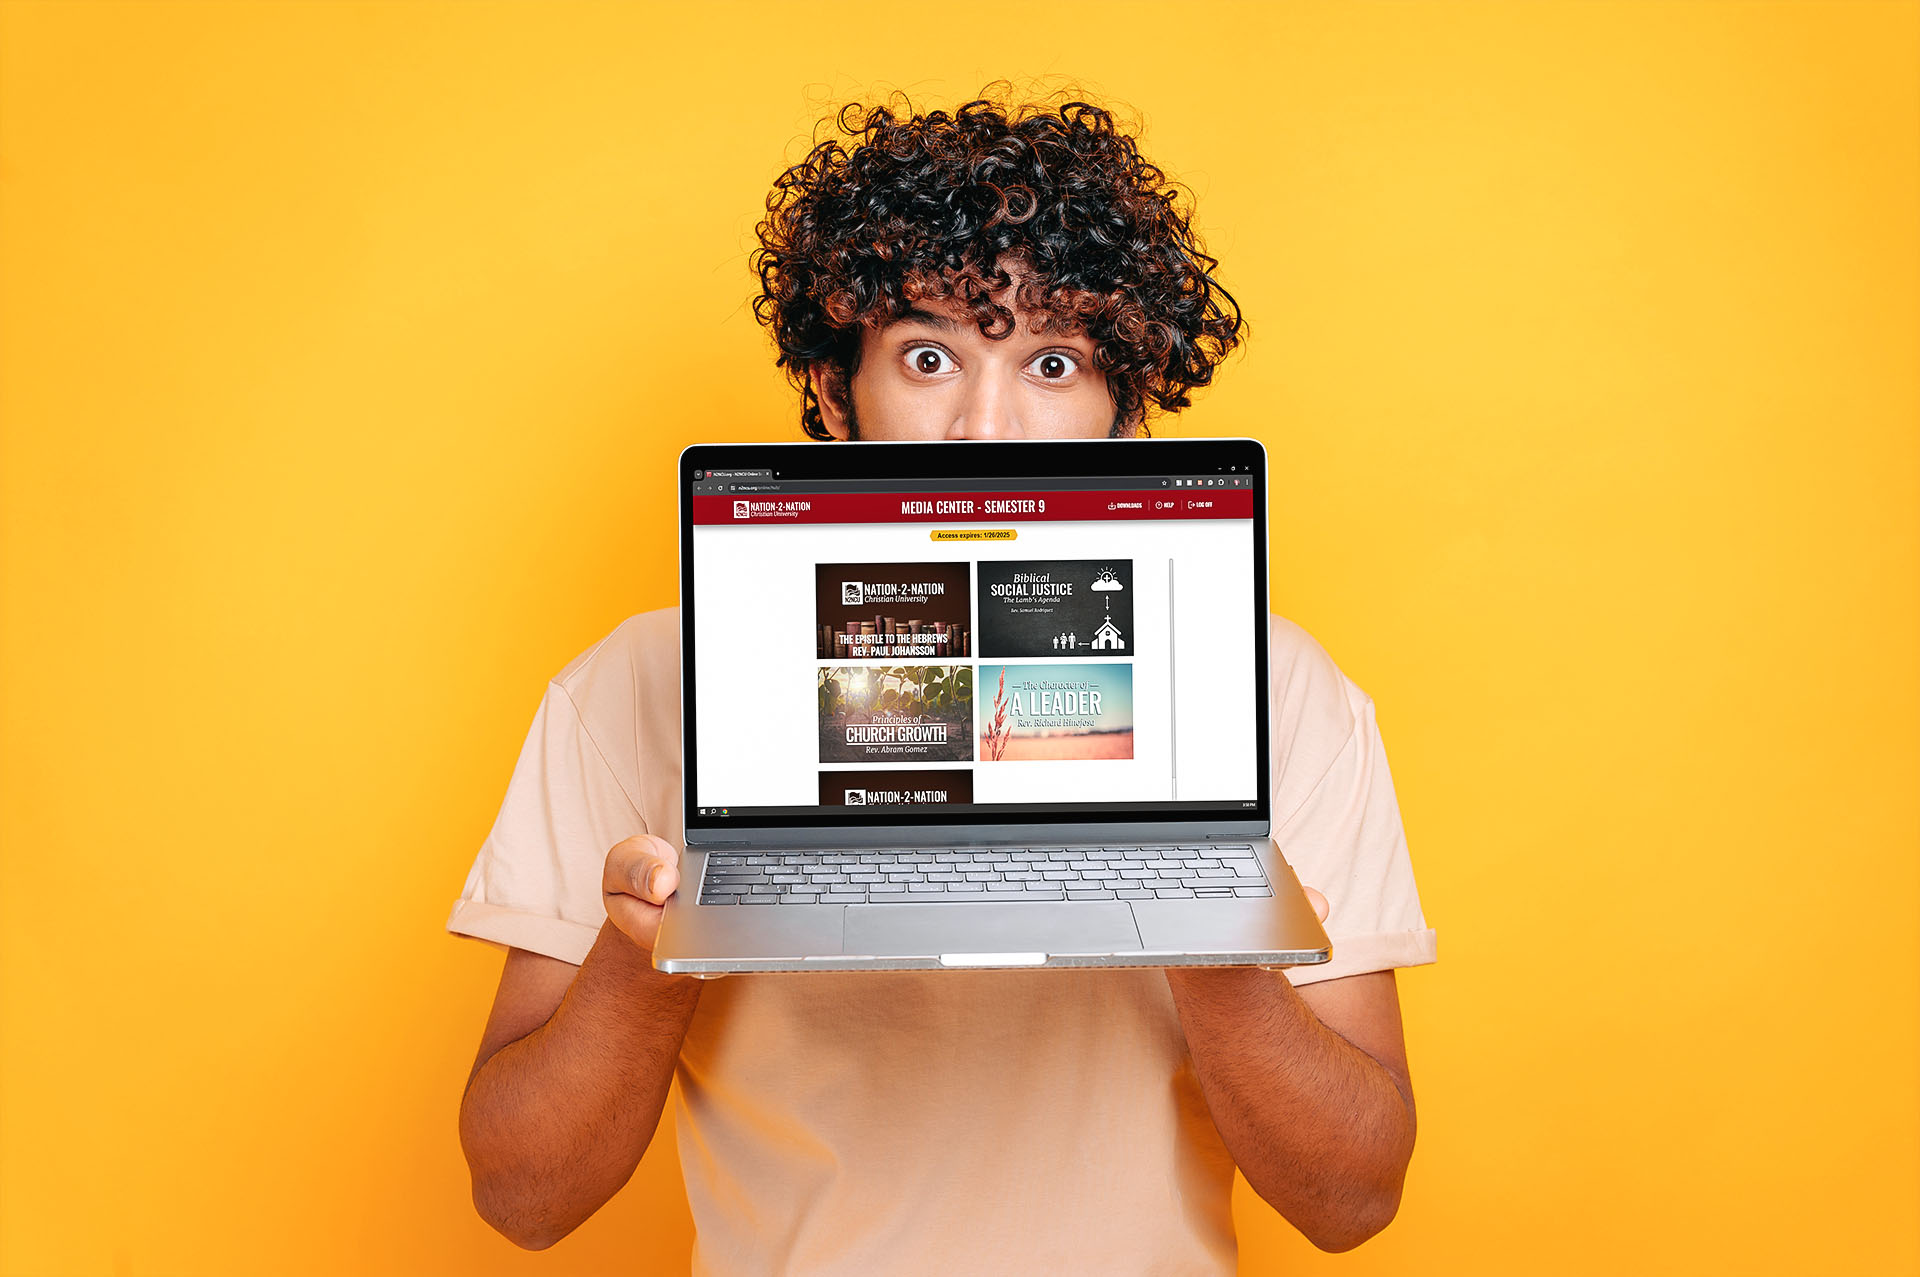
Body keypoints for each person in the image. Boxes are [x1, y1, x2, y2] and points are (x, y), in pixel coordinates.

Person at [449, 90, 1438, 1271]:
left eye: (1053, 363)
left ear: (1124, 412)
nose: (986, 428)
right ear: (835, 391)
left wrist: (1202, 916)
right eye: (930, 358)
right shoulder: (633, 684)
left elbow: (1353, 1198)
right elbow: (523, 1195)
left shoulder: (1283, 691)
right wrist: (645, 949)